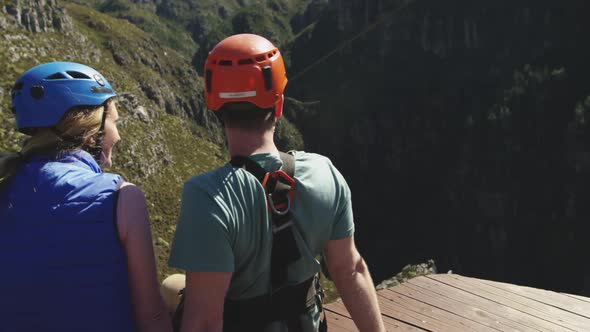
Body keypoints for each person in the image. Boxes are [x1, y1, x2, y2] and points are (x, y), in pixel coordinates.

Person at [167, 34, 386, 332]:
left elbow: (205, 322)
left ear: (214, 105)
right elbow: (351, 270)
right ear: (279, 104)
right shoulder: (325, 172)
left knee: (171, 287)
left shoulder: (207, 195)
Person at [0, 62, 172, 332]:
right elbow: (152, 318)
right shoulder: (121, 198)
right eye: (114, 122)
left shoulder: (5, 185)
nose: (118, 134)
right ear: (93, 131)